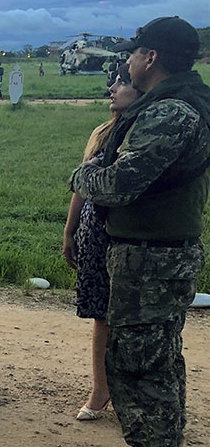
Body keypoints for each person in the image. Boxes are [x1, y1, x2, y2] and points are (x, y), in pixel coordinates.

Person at [71, 16, 210, 447]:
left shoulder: (170, 112)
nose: (127, 62)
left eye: (134, 53)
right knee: (157, 361)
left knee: (140, 367)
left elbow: (115, 184)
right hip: (154, 253)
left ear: (151, 58)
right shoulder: (176, 102)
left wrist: (82, 170)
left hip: (151, 258)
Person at [61, 64, 139, 422]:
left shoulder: (144, 135)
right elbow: (81, 186)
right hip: (94, 237)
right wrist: (70, 230)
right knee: (102, 315)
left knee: (131, 318)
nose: (113, 87)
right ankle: (100, 387)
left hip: (126, 238)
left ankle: (129, 392)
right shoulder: (103, 133)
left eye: (122, 82)